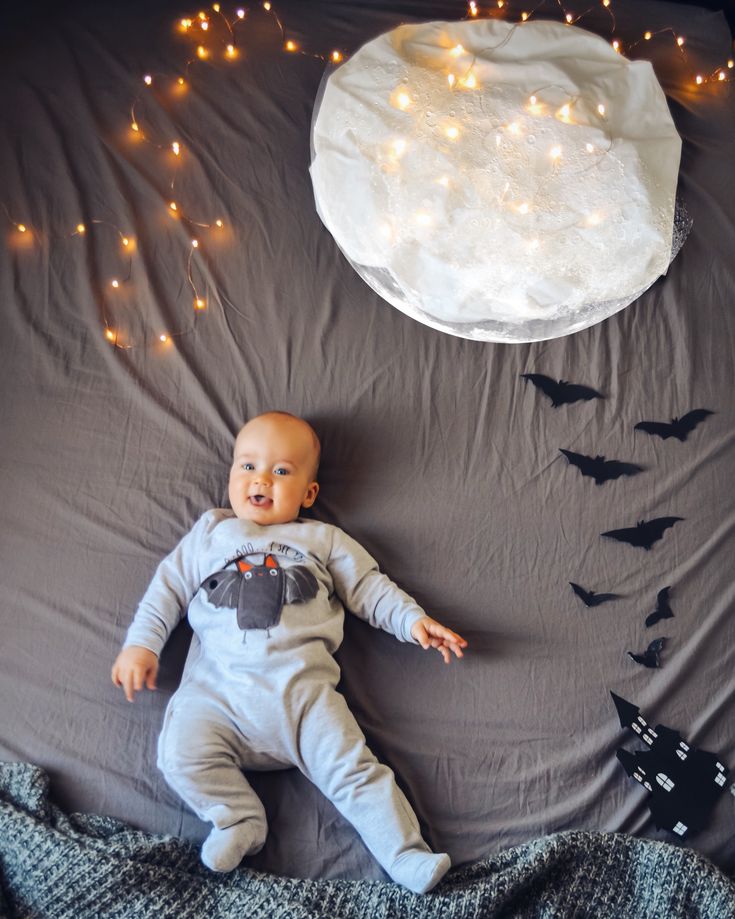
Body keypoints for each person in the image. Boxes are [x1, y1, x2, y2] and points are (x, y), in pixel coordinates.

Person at [111, 411, 468, 893]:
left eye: (281, 471)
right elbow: (167, 590)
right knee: (179, 754)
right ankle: (237, 818)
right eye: (247, 466)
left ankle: (406, 856)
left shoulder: (322, 540)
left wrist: (412, 621)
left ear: (308, 493)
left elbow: (369, 589)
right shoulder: (211, 534)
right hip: (218, 698)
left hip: (303, 700)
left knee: (358, 775)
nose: (260, 479)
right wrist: (140, 645)